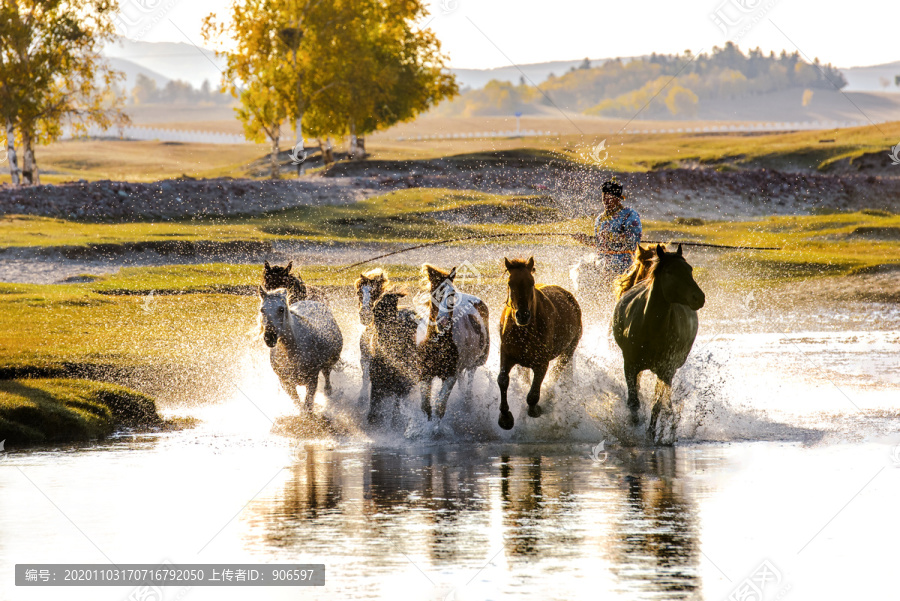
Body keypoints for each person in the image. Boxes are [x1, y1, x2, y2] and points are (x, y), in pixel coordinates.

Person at [594, 178, 642, 276]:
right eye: (604, 198)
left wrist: (611, 237)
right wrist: (585, 240)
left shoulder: (629, 214)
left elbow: (634, 239)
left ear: (617, 199)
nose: (605, 202)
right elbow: (599, 244)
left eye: (609, 199)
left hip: (624, 266)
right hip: (601, 265)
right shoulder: (600, 219)